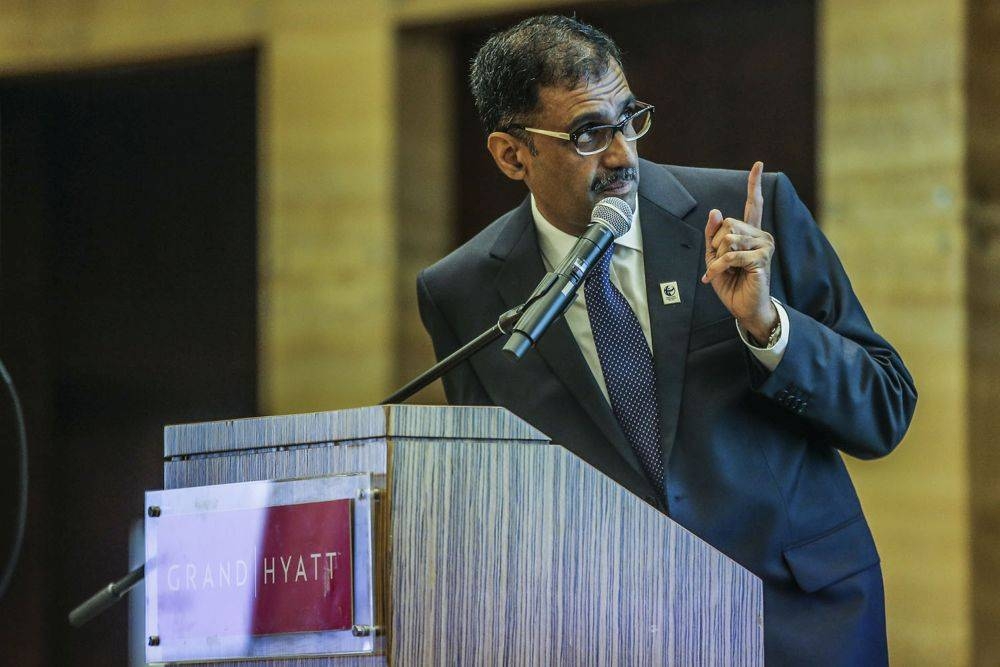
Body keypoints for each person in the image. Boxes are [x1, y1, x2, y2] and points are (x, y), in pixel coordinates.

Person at [416, 15, 916, 665]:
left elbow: (884, 408)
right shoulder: (461, 292)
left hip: (797, 621)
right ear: (513, 154)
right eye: (589, 133)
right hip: (613, 640)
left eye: (629, 119)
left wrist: (769, 326)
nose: (624, 154)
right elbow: (501, 498)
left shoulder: (745, 213)